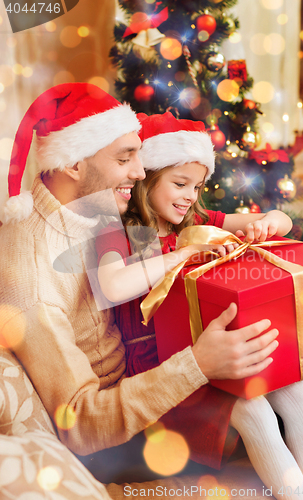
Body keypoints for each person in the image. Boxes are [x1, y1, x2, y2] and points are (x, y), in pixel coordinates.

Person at [0, 83, 281, 494]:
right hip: (110, 443)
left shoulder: (92, 208)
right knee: (264, 409)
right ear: (75, 163)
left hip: (147, 381)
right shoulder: (34, 275)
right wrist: (198, 365)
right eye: (125, 157)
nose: (139, 170)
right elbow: (80, 424)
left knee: (299, 382)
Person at [96, 112, 303, 500]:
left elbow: (281, 222)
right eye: (180, 183)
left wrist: (266, 223)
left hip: (217, 351)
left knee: (299, 394)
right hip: (165, 368)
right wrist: (185, 252)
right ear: (148, 176)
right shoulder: (117, 229)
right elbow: (111, 284)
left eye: (198, 185)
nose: (191, 195)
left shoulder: (202, 221)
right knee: (254, 411)